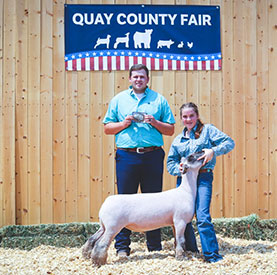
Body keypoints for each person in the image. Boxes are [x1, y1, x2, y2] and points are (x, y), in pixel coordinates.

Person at [103, 64, 175, 257]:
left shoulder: (159, 100)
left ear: (147, 79)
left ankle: (154, 246)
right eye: (135, 77)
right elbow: (107, 128)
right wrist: (124, 123)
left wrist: (154, 122)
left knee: (154, 203)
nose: (138, 80)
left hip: (152, 156)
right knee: (124, 202)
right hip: (127, 156)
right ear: (129, 79)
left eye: (142, 77)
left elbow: (170, 130)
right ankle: (122, 248)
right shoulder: (119, 100)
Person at [167, 102, 235, 263]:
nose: (188, 119)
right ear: (181, 119)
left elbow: (229, 142)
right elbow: (170, 164)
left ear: (197, 116)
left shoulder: (208, 131)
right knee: (184, 217)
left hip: (203, 177)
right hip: (184, 180)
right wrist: (180, 167)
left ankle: (211, 255)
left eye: (191, 115)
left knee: (202, 216)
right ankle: (190, 250)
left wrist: (213, 150)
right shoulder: (178, 141)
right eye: (185, 116)